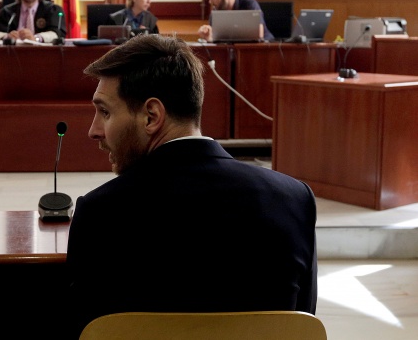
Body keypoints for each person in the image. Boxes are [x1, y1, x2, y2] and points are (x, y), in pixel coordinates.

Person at [66, 34, 317, 337]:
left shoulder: (101, 212)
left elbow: (85, 331)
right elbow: (301, 322)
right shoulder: (293, 199)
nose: (94, 130)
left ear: (151, 116)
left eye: (105, 112)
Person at [197, 0, 274, 42]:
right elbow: (214, 38)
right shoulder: (215, 11)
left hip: (263, 47)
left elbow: (259, 34)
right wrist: (208, 36)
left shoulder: (249, 3)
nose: (210, 1)